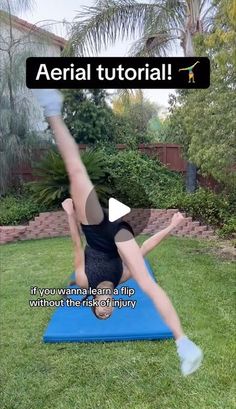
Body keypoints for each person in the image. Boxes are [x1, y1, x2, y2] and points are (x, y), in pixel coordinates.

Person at [32, 89, 203, 376]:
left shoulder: (84, 281)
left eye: (102, 308)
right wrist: (172, 226)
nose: (107, 305)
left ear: (94, 302)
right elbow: (146, 247)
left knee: (75, 171)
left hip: (94, 230)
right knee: (147, 284)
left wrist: (70, 215)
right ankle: (184, 343)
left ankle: (52, 110)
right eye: (109, 310)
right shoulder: (120, 278)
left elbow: (76, 246)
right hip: (120, 233)